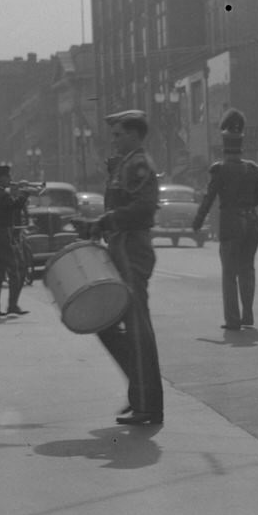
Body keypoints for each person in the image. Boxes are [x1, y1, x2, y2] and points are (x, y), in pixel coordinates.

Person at [95, 110, 164, 425]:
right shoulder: (124, 164)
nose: (114, 139)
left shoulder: (137, 164)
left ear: (135, 134)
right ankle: (140, 391)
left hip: (132, 250)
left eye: (119, 133)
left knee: (137, 329)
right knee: (106, 323)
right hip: (120, 249)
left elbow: (144, 208)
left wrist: (104, 221)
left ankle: (147, 403)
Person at [192, 109, 258, 330]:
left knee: (229, 274)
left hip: (231, 223)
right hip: (252, 222)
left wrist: (197, 222)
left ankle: (232, 319)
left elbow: (208, 198)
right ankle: (249, 315)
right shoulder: (252, 168)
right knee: (247, 269)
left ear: (224, 147)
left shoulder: (220, 169)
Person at [0, 164, 29, 319]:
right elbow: (15, 206)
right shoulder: (1, 195)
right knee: (16, 269)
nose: (10, 179)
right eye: (7, 176)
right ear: (0, 178)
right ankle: (12, 305)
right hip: (3, 234)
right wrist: (25, 194)